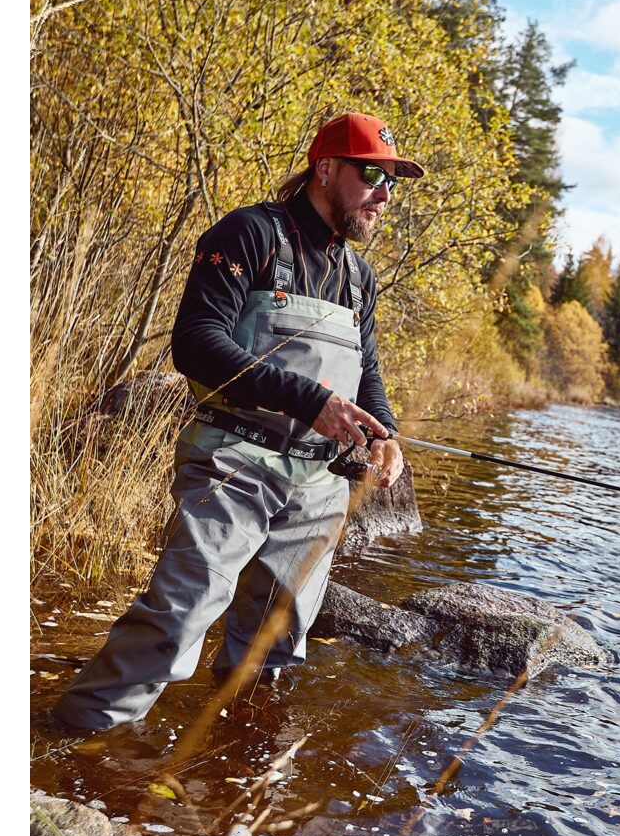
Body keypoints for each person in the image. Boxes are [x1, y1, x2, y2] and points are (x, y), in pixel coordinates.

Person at [52, 112, 423, 731]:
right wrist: (310, 401)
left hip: (319, 488)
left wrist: (386, 435)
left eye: (392, 181)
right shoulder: (250, 233)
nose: (385, 195)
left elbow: (369, 374)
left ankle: (228, 759)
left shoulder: (359, 279)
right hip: (233, 464)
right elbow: (196, 342)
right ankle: (74, 748)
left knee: (273, 649)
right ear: (325, 168)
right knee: (178, 617)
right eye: (372, 175)